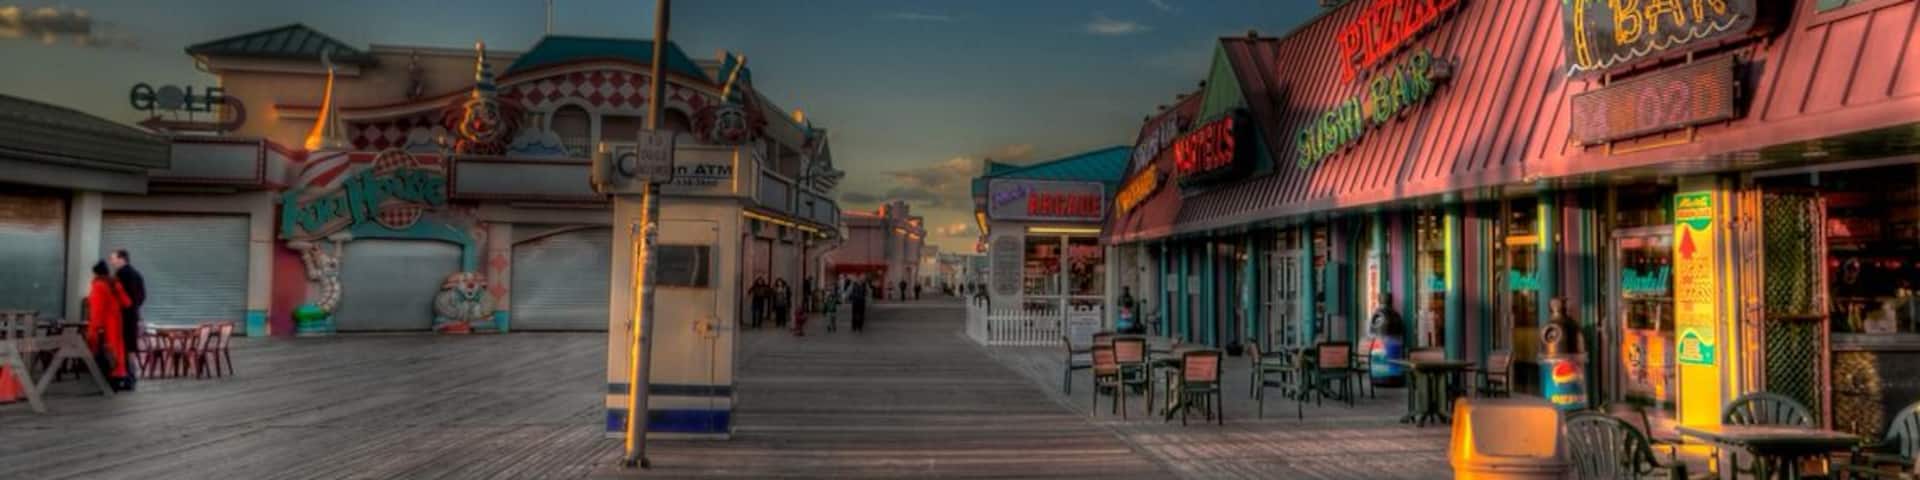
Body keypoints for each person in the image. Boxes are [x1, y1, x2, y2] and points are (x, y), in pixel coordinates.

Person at [86, 261, 133, 391]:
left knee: (103, 350)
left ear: (95, 273)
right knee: (116, 350)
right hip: (117, 323)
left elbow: (97, 309)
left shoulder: (98, 285)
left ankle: (105, 379)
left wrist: (96, 327)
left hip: (104, 324)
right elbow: (127, 303)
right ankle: (119, 377)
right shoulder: (115, 283)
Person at [108, 249, 144, 390]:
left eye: (113, 258)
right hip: (133, 316)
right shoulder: (137, 274)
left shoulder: (121, 274)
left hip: (122, 317)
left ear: (122, 259)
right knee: (130, 348)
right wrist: (134, 307)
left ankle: (124, 377)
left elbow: (116, 296)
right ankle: (132, 377)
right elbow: (142, 295)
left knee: (122, 347)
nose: (111, 261)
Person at [1367, 292, 1406, 388]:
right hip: (1395, 346)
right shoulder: (1396, 314)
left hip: (1380, 347)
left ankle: (1381, 378)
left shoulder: (1377, 314)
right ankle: (1394, 377)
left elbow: (1372, 330)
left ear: (1379, 300)